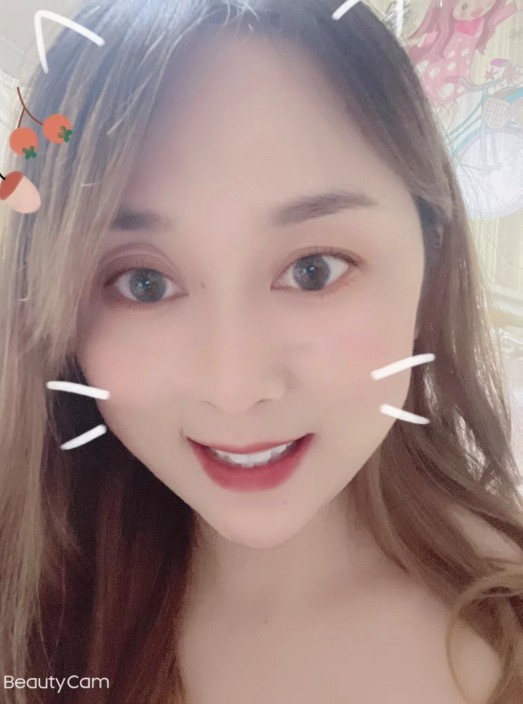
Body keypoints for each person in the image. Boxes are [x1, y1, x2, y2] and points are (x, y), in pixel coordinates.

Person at [0, 1, 522, 703]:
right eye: (143, 283)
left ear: (430, 267)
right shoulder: (31, 614)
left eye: (313, 270)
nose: (234, 388)